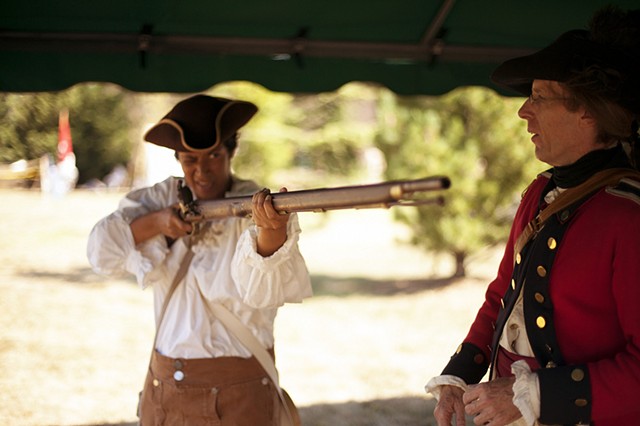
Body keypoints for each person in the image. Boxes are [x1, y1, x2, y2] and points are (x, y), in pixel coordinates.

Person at [425, 6, 640, 426]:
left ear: (588, 112)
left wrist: (537, 396)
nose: (524, 111)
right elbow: (503, 294)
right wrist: (459, 374)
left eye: (539, 97)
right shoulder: (541, 192)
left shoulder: (627, 217)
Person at [87, 94, 312, 425]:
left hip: (240, 394)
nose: (202, 170)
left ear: (230, 152)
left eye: (213, 156)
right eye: (190, 159)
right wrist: (157, 224)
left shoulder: (254, 201)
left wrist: (270, 230)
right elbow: (100, 252)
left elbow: (266, 291)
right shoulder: (162, 197)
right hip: (165, 390)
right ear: (178, 159)